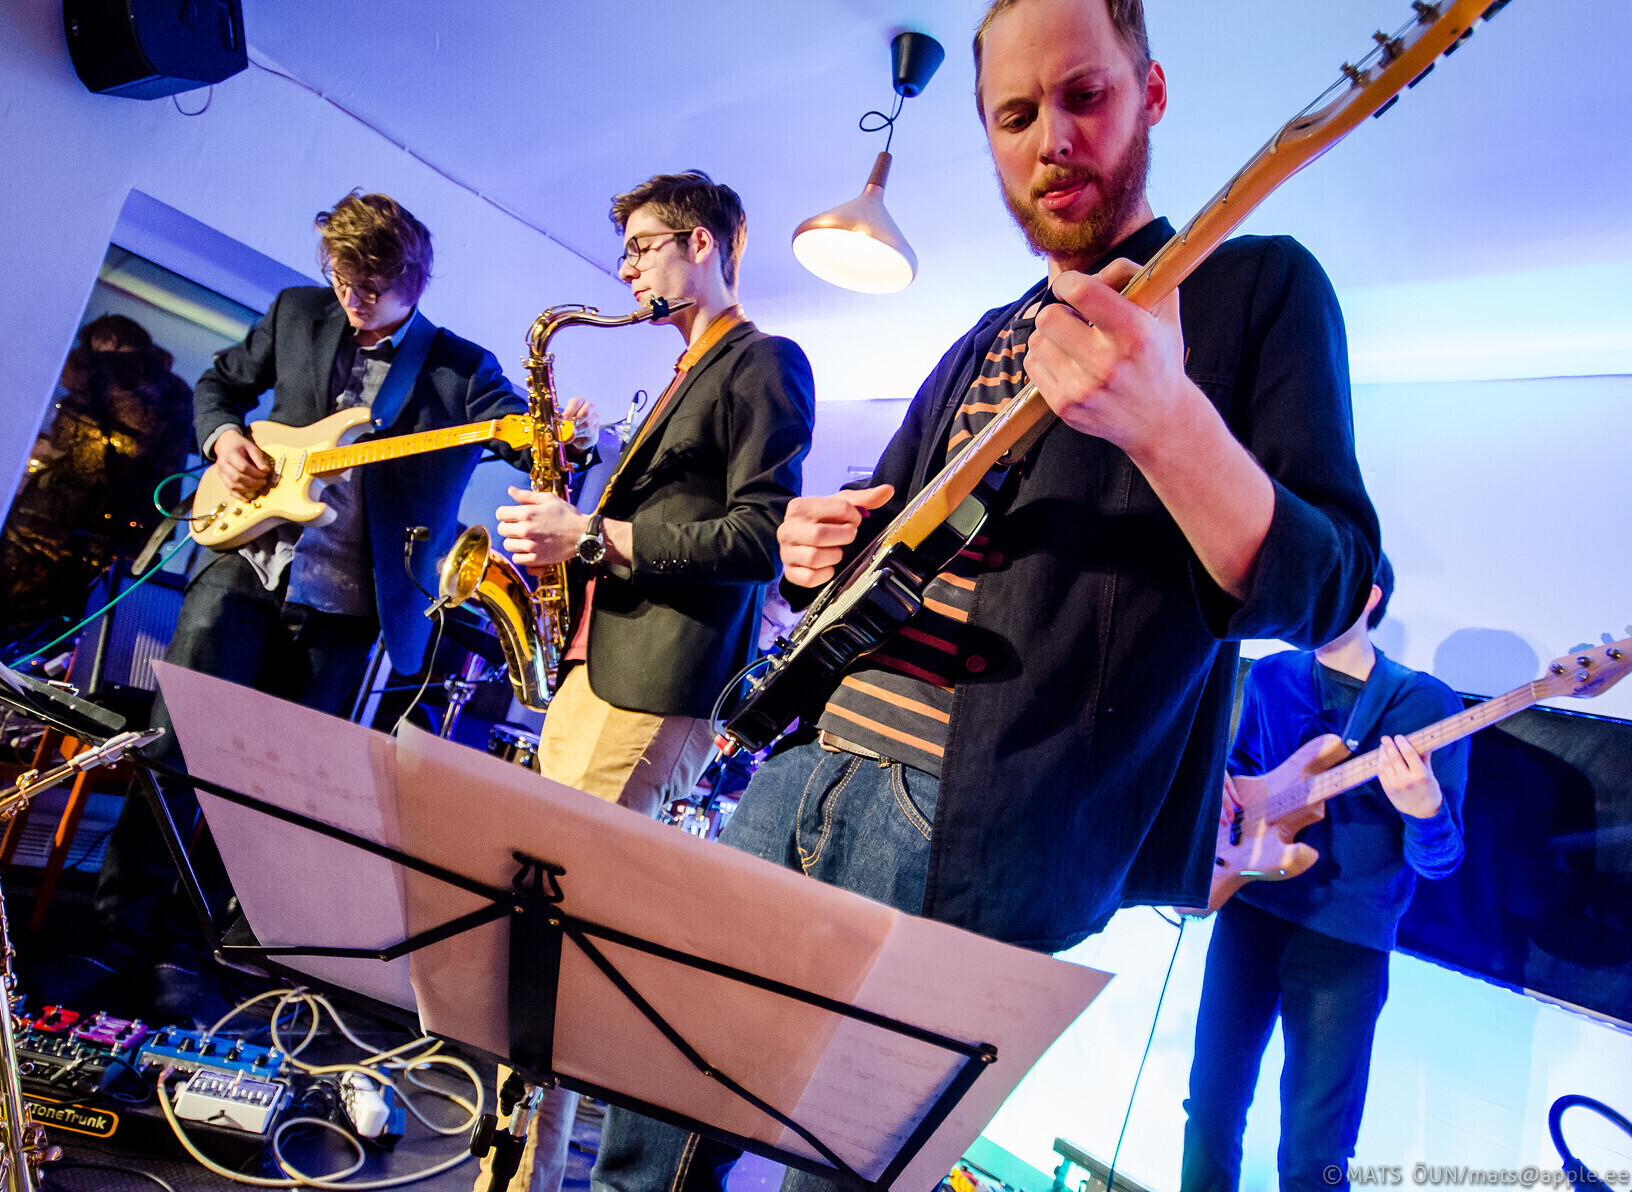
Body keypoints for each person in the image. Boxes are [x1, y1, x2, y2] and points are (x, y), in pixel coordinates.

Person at [590, 2, 1381, 1191]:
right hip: (806, 770)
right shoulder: (981, 338)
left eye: (1085, 95)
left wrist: (1170, 425)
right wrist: (812, 543)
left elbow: (1335, 588)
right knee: (645, 1134)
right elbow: (877, 537)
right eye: (1015, 115)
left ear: (1152, 93)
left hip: (974, 829)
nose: (1050, 137)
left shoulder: (1256, 288)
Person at [49, 191, 599, 1020]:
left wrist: (565, 437)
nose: (353, 299)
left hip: (346, 610)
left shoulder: (461, 367)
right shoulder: (297, 312)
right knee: (172, 752)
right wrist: (224, 440)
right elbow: (220, 384)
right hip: (244, 563)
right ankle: (114, 935)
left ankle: (201, 951)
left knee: (273, 791)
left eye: (370, 287)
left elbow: (520, 436)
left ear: (413, 279)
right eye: (342, 281)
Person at [482, 170, 815, 1192]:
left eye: (641, 246)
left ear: (702, 242)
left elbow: (760, 537)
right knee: (532, 930)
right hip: (596, 671)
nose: (625, 269)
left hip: (656, 683)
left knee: (557, 937)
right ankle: (516, 1170)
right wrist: (573, 511)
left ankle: (526, 1180)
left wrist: (593, 532)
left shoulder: (766, 361)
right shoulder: (681, 372)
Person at [1181, 555, 1468, 1192]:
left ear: (1368, 597)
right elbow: (1242, 772)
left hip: (1347, 940)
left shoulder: (1427, 704)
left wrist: (1424, 810)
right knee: (1209, 1111)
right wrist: (1225, 786)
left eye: (1319, 585)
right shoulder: (1272, 676)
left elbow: (1441, 862)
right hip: (1248, 909)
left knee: (1316, 1151)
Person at [0, 313, 193, 645]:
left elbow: (76, 451)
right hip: (120, 544)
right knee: (63, 646)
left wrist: (47, 451)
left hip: (53, 529)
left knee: (8, 635)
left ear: (110, 342)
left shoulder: (100, 379)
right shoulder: (174, 393)